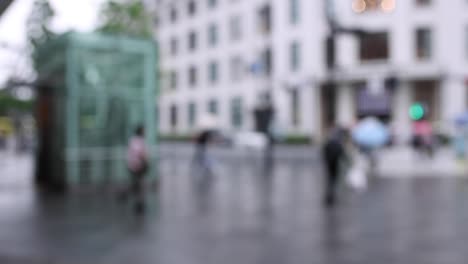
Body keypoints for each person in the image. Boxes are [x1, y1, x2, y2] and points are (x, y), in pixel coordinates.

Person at [322, 127, 350, 208]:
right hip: (334, 164)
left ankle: (329, 195)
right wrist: (347, 161)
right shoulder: (338, 143)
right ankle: (331, 195)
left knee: (330, 179)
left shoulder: (329, 143)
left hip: (329, 163)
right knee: (333, 180)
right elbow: (342, 154)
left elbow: (324, 152)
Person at [126, 125, 148, 214]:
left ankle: (138, 203)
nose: (145, 132)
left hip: (133, 165)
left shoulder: (132, 140)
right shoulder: (139, 141)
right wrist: (145, 161)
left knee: (136, 184)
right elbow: (140, 153)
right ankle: (139, 204)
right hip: (138, 166)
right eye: (144, 131)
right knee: (139, 185)